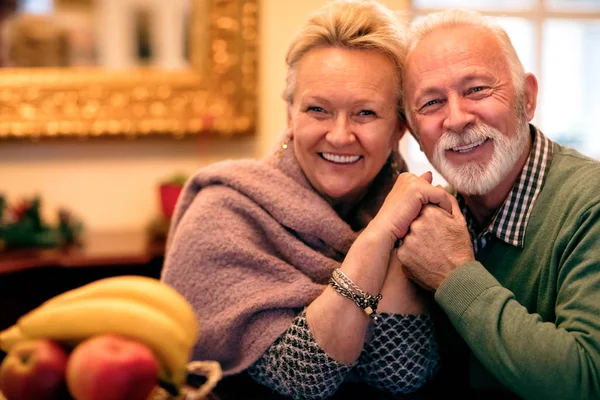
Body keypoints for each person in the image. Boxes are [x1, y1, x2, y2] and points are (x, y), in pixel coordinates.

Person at [160, 1, 448, 398]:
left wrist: (397, 229)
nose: (340, 135)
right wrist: (379, 237)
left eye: (365, 113)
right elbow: (301, 377)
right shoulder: (224, 213)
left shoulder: (423, 220)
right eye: (318, 110)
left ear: (399, 126)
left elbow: (400, 372)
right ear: (291, 116)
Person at [396, 9, 600, 400]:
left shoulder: (589, 204)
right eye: (432, 103)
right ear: (415, 134)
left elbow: (588, 381)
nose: (456, 119)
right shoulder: (433, 223)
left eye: (476, 90)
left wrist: (454, 276)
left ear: (528, 98)